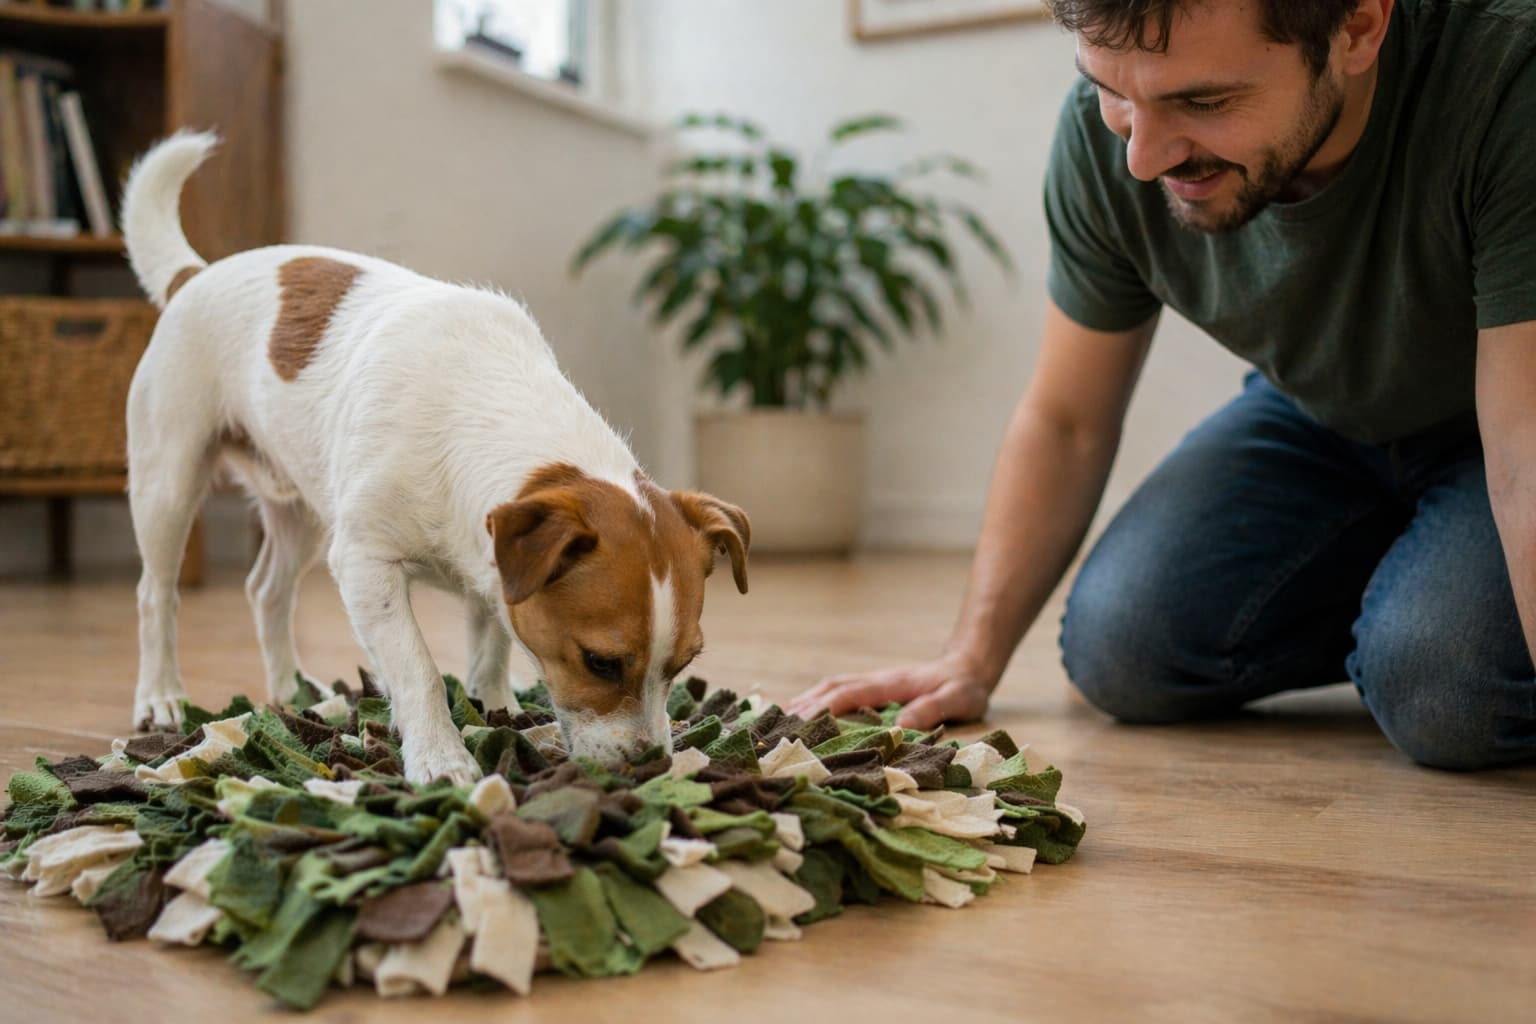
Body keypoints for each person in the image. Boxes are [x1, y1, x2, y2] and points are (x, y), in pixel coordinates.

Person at [789, 0, 1536, 770]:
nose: (1142, 160)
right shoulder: (1107, 137)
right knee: (1123, 646)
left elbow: (1525, 449)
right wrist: (969, 659)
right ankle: (1417, 585)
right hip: (1324, 415)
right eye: (1112, 92)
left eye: (1204, 101)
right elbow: (1066, 419)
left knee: (1449, 690)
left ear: (1357, 28)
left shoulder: (1507, 80)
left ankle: (1424, 623)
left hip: (1503, 424)